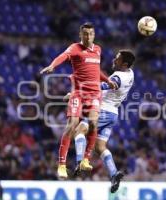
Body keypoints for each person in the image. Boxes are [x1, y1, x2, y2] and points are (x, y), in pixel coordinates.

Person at [40, 22, 117, 179]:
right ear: (80, 35)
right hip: (79, 93)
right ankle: (62, 164)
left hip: (95, 92)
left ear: (94, 35)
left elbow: (96, 70)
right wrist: (53, 65)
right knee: (72, 125)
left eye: (90, 34)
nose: (88, 36)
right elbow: (63, 56)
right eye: (85, 34)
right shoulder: (75, 48)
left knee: (94, 124)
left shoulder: (97, 49)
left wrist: (107, 80)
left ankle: (85, 159)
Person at [66, 49, 135, 193]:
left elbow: (106, 85)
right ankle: (114, 173)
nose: (114, 60)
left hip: (103, 110)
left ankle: (80, 161)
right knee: (99, 146)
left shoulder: (118, 76)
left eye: (117, 59)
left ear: (125, 64)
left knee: (79, 131)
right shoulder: (130, 73)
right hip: (113, 113)